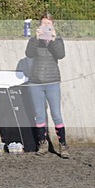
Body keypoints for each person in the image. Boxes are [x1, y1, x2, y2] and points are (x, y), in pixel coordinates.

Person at [25, 12, 68, 157]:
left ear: (53, 26)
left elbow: (60, 55)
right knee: (39, 115)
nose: (46, 27)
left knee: (56, 114)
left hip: (52, 81)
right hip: (35, 82)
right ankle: (42, 144)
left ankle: (63, 145)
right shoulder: (34, 40)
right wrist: (36, 38)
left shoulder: (58, 40)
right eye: (44, 24)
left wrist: (54, 40)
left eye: (48, 24)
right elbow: (29, 54)